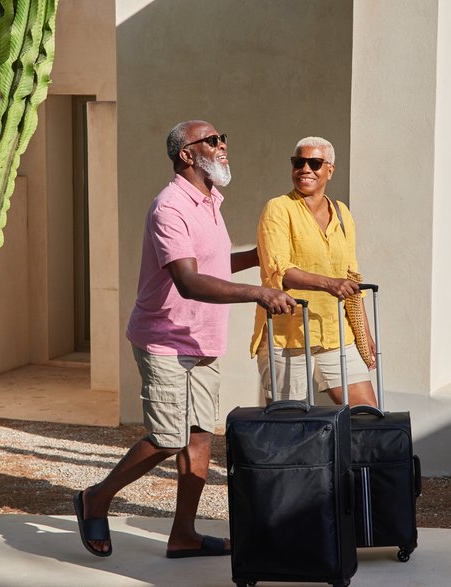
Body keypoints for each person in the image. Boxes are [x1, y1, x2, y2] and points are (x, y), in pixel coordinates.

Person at [73, 120, 296, 559]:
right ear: (186, 155)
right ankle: (95, 499)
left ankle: (184, 535)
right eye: (212, 140)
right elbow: (190, 281)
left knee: (198, 438)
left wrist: (261, 256)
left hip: (202, 337)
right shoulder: (169, 207)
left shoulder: (211, 200)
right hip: (165, 339)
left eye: (223, 137)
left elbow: (212, 266)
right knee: (167, 437)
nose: (223, 145)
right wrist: (260, 293)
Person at [250, 136, 377, 407]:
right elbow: (279, 271)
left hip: (337, 333)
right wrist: (330, 284)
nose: (305, 169)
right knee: (289, 428)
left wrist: (364, 332)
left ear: (330, 170)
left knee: (367, 416)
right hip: (289, 335)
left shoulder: (342, 213)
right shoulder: (279, 208)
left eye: (315, 163)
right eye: (299, 162)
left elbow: (352, 276)